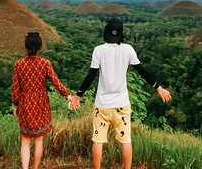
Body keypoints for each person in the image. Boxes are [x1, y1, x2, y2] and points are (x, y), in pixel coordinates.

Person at [68, 18, 172, 169]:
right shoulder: (128, 49)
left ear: (105, 33)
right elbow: (141, 70)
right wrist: (158, 87)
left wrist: (77, 96)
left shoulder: (99, 50)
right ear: (122, 33)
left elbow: (91, 75)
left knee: (98, 141)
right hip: (122, 105)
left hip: (102, 105)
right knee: (126, 141)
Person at [12, 32, 72, 169]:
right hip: (41, 104)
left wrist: (17, 105)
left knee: (25, 141)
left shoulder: (19, 65)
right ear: (40, 46)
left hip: (25, 103)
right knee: (39, 140)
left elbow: (15, 88)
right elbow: (55, 82)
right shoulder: (45, 63)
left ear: (26, 46)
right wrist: (67, 95)